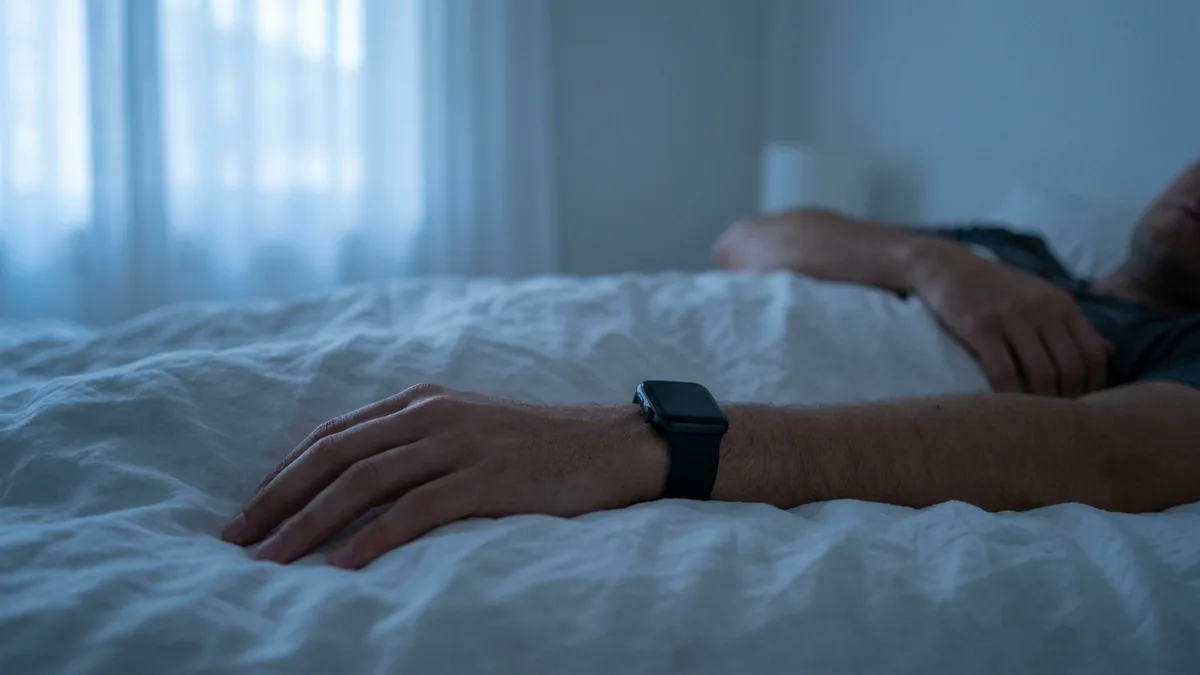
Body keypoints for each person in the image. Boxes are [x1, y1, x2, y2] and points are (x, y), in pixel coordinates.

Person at [221, 159, 1200, 569]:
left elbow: (1108, 455)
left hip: (659, 406)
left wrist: (648, 440)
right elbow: (751, 240)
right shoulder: (1011, 250)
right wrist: (936, 264)